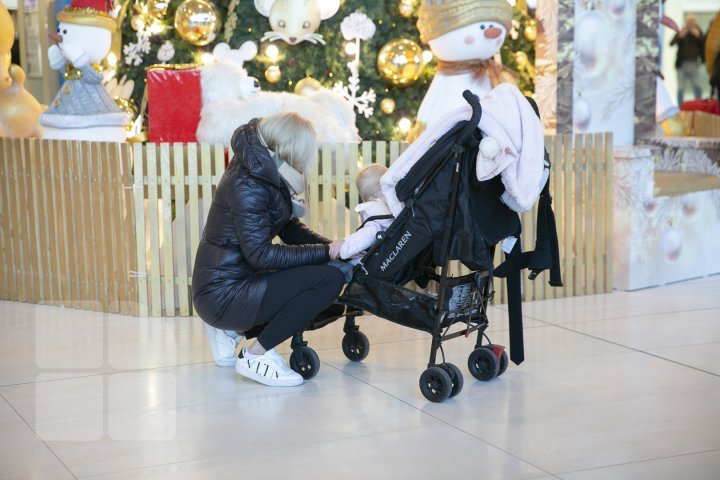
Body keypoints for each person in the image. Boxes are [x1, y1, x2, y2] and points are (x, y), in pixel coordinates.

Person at [192, 112, 345, 387]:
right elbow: (261, 254)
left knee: (325, 271)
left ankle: (229, 330)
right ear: (292, 150)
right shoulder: (251, 183)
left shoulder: (262, 170)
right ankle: (256, 356)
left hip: (229, 283)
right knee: (329, 280)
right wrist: (326, 253)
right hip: (222, 293)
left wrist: (333, 248)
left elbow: (288, 228)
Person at [331, 164, 395, 275]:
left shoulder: (374, 210)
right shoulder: (394, 207)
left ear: (364, 195)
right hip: (391, 254)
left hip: (374, 261)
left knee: (336, 265)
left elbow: (367, 235)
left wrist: (344, 246)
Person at [671, 15, 706, 105]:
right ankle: (680, 107)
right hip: (681, 64)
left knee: (696, 86)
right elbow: (671, 43)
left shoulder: (699, 32)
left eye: (692, 21)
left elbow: (705, 44)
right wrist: (680, 36)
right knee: (681, 87)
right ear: (686, 22)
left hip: (694, 63)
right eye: (689, 21)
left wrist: (698, 36)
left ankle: (698, 105)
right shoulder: (682, 31)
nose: (690, 23)